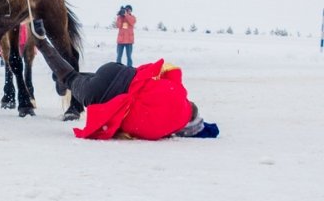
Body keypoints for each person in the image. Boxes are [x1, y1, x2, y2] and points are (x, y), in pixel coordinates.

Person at [31, 19, 219, 141]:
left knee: (80, 77)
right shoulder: (166, 128)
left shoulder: (178, 91)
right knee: (71, 77)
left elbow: (167, 71)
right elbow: (134, 128)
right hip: (104, 95)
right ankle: (40, 41)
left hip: (117, 72)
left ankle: (60, 75)